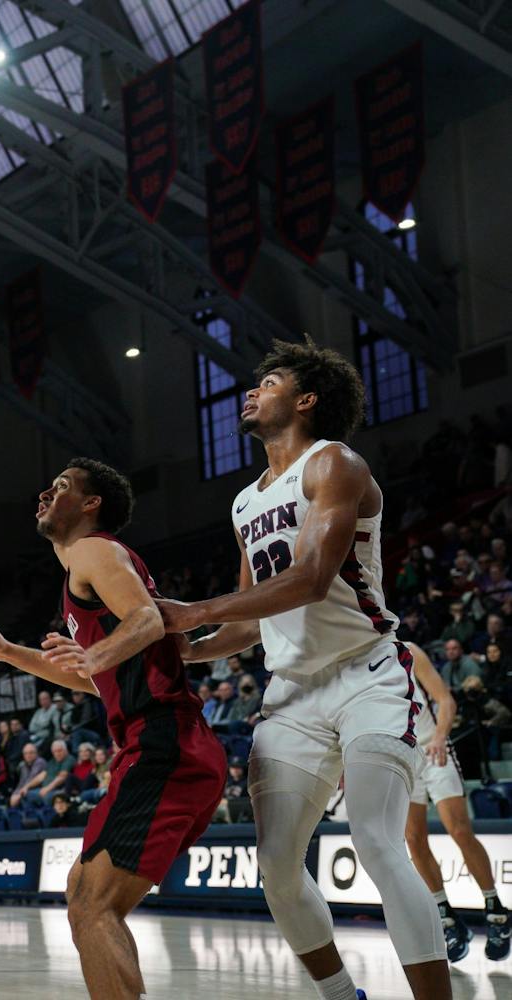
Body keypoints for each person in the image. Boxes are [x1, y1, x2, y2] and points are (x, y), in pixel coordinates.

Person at [158, 339, 450, 999]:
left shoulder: (334, 464)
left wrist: (192, 608)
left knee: (376, 839)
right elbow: (250, 618)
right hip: (290, 695)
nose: (250, 392)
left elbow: (313, 578)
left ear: (306, 399)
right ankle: (343, 997)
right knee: (278, 871)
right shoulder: (244, 504)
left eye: (268, 382)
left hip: (366, 675)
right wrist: (191, 646)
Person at [0, 457, 226, 1000]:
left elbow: (147, 620)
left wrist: (95, 652)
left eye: (60, 487)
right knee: (84, 894)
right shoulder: (83, 572)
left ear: (89, 504)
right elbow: (100, 681)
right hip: (158, 745)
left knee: (91, 903)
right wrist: (11, 653)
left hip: (165, 743)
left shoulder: (93, 551)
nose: (44, 492)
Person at [401, 642, 509, 962]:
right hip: (401, 756)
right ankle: (447, 919)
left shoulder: (406, 650)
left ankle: (496, 912)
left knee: (460, 830)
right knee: (413, 839)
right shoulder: (355, 662)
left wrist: (439, 736)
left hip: (434, 749)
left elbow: (445, 700)